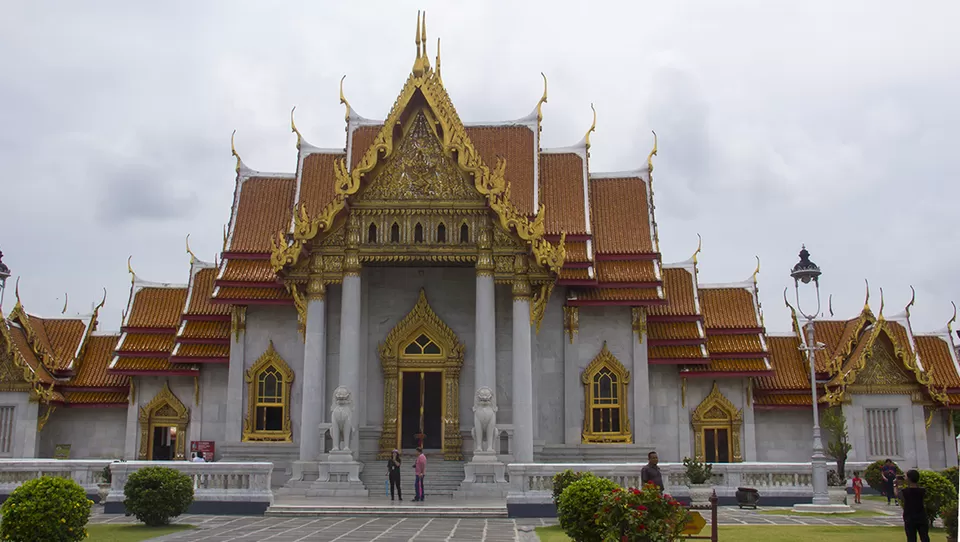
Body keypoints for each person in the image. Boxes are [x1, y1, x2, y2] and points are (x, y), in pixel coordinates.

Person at [898, 469, 930, 542]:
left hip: (909, 517)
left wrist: (896, 484)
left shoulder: (905, 491)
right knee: (924, 537)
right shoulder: (922, 491)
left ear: (909, 479)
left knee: (911, 538)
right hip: (921, 516)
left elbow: (898, 495)